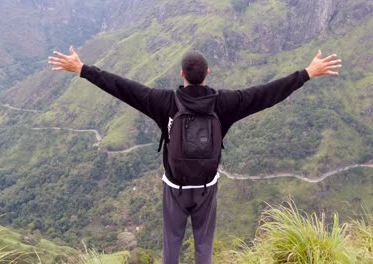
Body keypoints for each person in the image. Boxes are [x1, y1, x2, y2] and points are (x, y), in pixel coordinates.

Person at [48, 47, 341, 264]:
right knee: (204, 246)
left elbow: (122, 87)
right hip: (206, 188)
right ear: (207, 74)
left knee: (172, 244)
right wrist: (306, 73)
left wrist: (82, 68)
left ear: (182, 75)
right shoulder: (226, 103)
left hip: (174, 189)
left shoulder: (163, 102)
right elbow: (267, 93)